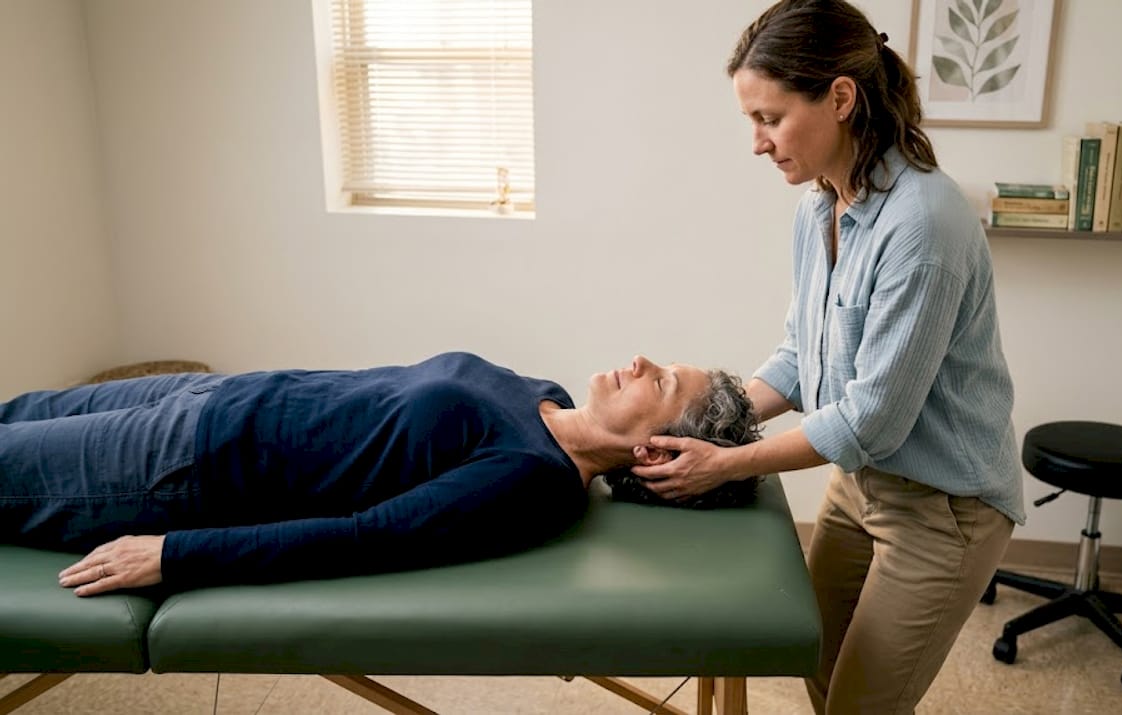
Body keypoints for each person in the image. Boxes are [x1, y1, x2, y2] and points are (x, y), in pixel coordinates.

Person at [632, 1, 1026, 712]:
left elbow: (870, 419)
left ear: (840, 98)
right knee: (816, 664)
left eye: (770, 118)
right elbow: (799, 355)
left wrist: (722, 463)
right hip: (858, 486)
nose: (757, 142)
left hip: (944, 509)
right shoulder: (820, 207)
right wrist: (705, 424)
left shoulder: (924, 222)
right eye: (751, 120)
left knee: (860, 705)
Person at [0, 352, 759, 597]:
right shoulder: (548, 399)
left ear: (653, 454)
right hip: (208, 395)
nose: (640, 363)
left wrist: (172, 554)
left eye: (659, 384)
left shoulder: (532, 481)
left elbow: (364, 539)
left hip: (179, 466)